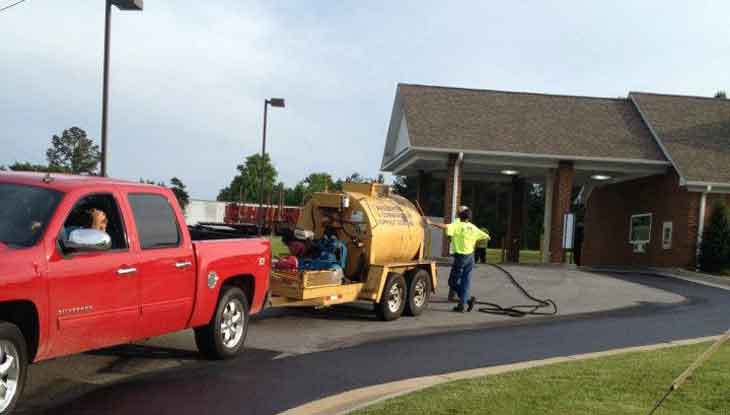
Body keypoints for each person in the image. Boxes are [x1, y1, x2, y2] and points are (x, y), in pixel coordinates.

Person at [427, 207, 490, 312]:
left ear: (460, 216)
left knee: (452, 282)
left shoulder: (457, 225)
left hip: (461, 258)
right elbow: (486, 236)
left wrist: (431, 223)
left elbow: (444, 226)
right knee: (466, 281)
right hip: (471, 257)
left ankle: (468, 300)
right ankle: (462, 304)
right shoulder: (473, 227)